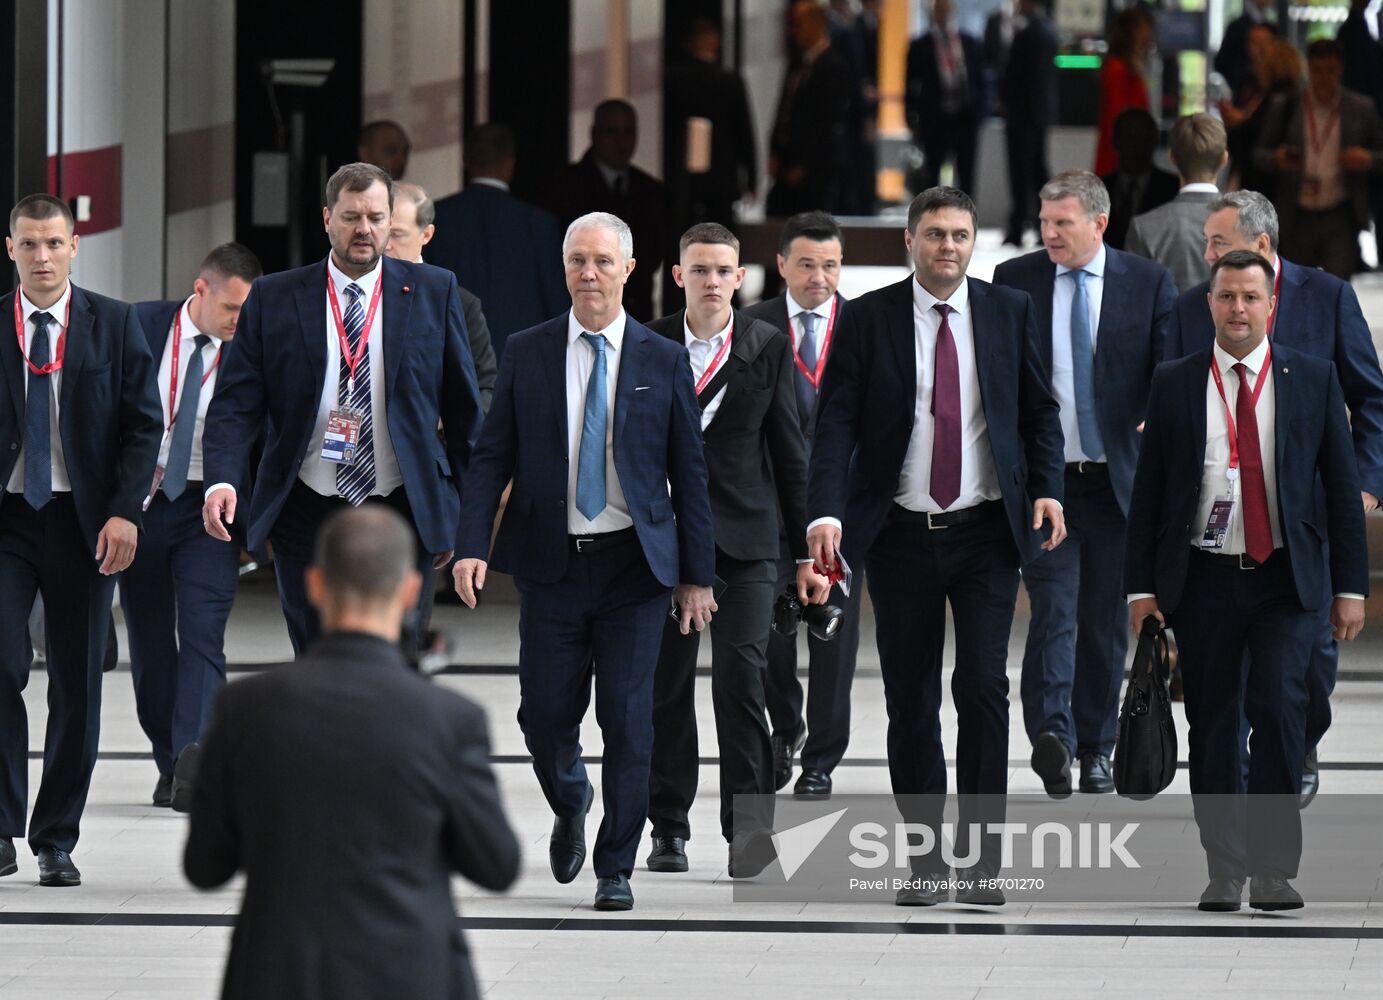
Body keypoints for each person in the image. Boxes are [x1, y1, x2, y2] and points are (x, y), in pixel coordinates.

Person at [807, 187, 1066, 906]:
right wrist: (822, 514)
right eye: (932, 235)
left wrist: (1046, 487)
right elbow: (833, 428)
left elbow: (1040, 412)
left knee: (982, 688)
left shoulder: (1008, 313)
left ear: (973, 241)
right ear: (909, 242)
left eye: (958, 235)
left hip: (984, 534)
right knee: (910, 698)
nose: (946, 247)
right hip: (896, 537)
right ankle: (924, 861)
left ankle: (982, 863)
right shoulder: (865, 320)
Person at [452, 212, 716, 912]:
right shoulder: (527, 350)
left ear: (629, 269)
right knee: (542, 716)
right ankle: (571, 797)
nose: (589, 274)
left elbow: (689, 473)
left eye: (602, 261)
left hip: (634, 568)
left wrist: (696, 574)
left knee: (629, 723)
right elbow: (490, 458)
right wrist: (472, 544)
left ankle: (615, 864)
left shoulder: (662, 359)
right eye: (577, 261)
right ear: (563, 268)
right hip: (551, 564)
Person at [184, 505, 519, 1000]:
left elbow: (205, 866)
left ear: (316, 586)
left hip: (279, 973)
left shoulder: (245, 708)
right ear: (409, 591)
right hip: (411, 973)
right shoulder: (449, 719)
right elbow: (496, 864)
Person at [1125, 250, 1367, 913]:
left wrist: (1350, 588)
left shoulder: (1311, 379)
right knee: (1213, 724)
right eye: (1225, 297)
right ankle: (1224, 870)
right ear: (1209, 304)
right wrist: (1139, 590)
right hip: (1201, 579)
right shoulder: (1174, 382)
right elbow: (1146, 497)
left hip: (1284, 580)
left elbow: (1341, 494)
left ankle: (1272, 870)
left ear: (1270, 306)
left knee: (1281, 716)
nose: (1237, 309)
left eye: (1248, 299)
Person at [202, 162, 484, 657]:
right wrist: (222, 479)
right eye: (352, 217)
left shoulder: (434, 291)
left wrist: (472, 519)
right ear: (328, 218)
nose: (364, 229)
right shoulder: (275, 296)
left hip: (404, 501)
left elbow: (463, 412)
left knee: (399, 651)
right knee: (314, 650)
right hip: (306, 501)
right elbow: (236, 403)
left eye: (377, 217)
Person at [1164, 189, 1383, 807]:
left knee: (1305, 675)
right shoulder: (1190, 308)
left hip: (1303, 527)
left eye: (1216, 241)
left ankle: (1296, 744)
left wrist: (1365, 484)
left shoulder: (1328, 297)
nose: (1204, 252)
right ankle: (1240, 804)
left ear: (1261, 244)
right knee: (1221, 687)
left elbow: (1370, 399)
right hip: (1214, 535)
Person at [645, 223, 827, 877]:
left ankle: (749, 831)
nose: (713, 282)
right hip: (663, 546)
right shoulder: (651, 343)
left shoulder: (763, 345)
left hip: (748, 544)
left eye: (724, 271)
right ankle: (667, 825)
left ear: (740, 276)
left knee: (741, 682)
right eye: (700, 270)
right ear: (677, 275)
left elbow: (788, 450)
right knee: (665, 689)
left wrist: (807, 555)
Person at [992, 170, 1176, 798]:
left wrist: (1159, 414)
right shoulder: (1016, 280)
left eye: (1061, 223)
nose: (1048, 234)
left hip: (1119, 482)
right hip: (1048, 483)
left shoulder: (1147, 283)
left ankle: (1098, 747)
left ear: (1098, 223)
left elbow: (1167, 365)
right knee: (1053, 611)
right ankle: (1055, 736)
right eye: (1043, 222)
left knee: (1103, 619)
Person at [0, 194, 163, 887]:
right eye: (29, 245)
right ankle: (0, 828)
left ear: (75, 247)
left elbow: (142, 427)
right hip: (7, 520)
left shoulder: (115, 324)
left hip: (85, 524)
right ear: (10, 248)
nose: (42, 257)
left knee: (77, 684)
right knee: (2, 665)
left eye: (54, 244)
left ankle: (55, 837)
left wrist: (125, 512)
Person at [123, 242, 262, 814]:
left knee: (204, 632)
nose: (239, 323)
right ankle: (168, 758)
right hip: (141, 505)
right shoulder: (139, 325)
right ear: (200, 291)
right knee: (151, 640)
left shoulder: (251, 349)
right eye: (231, 310)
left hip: (211, 507)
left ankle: (194, 761)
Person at [744, 212, 863, 798]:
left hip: (839, 507)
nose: (820, 277)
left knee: (834, 639)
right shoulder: (753, 324)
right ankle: (784, 730)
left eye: (832, 265)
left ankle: (821, 759)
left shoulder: (865, 324)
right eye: (808, 264)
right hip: (767, 505)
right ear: (783, 265)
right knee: (770, 632)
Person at [425, 124, 568, 360]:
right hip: (524, 361)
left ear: (464, 159)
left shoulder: (436, 217)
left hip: (452, 360)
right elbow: (557, 304)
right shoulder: (540, 224)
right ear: (510, 163)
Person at [1253, 38, 1383, 280]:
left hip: (1340, 213)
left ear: (1340, 69)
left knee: (1337, 288)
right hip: (1296, 213)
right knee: (1296, 288)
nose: (1324, 78)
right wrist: (1277, 159)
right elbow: (1259, 154)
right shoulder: (1287, 106)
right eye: (1317, 71)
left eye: (1330, 71)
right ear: (1308, 69)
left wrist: (1366, 159)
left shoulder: (1360, 109)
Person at [548, 100, 668, 322]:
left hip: (636, 315)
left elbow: (655, 254)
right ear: (594, 134)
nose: (621, 141)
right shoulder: (564, 186)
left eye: (628, 132)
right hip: (581, 313)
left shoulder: (651, 191)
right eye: (612, 131)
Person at [386, 181, 497, 410]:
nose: (385, 245)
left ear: (426, 234)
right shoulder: (352, 294)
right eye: (380, 233)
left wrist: (444, 423)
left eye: (397, 235)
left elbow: (485, 388)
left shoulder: (459, 303)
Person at [663, 20, 758, 235]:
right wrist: (751, 176)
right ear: (715, 43)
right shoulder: (729, 80)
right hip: (722, 177)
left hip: (682, 176)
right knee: (722, 233)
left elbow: (666, 133)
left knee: (684, 233)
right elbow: (744, 131)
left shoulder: (673, 79)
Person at [1127, 113, 1229, 292]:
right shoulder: (1248, 224)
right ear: (1224, 159)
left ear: (1171, 157)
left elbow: (1136, 301)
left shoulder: (1144, 228)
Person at [766, 0, 850, 217]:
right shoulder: (797, 64)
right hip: (787, 162)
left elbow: (826, 121)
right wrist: (774, 151)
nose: (795, 32)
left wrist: (805, 164)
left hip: (814, 170)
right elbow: (784, 109)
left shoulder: (832, 66)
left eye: (799, 25)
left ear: (817, 24)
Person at [905, 0, 987, 197]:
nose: (942, 14)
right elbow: (909, 85)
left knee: (966, 175)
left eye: (945, 10)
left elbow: (981, 79)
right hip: (935, 119)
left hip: (964, 118)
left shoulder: (969, 42)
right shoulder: (920, 45)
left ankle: (966, 220)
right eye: (938, 10)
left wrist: (981, 111)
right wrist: (910, 117)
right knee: (932, 175)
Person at [999, 0, 1058, 247]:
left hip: (1023, 114)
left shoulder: (1028, 33)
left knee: (1022, 173)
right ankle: (1045, 223)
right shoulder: (1048, 30)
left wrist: (1005, 98)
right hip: (1038, 114)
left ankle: (1021, 226)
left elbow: (1017, 75)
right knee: (1037, 170)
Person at [1220, 34, 1298, 196]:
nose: (1256, 67)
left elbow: (1257, 140)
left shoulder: (1275, 99)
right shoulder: (1272, 96)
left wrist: (1241, 123)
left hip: (1263, 184)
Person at [1100, 108, 1179, 250]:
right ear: (1116, 142)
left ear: (1154, 141)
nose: (1136, 147)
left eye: (1143, 139)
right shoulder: (1100, 188)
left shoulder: (1172, 189)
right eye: (1129, 138)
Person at [1094, 7, 1154, 178]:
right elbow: (1116, 113)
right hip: (1122, 152)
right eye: (1144, 28)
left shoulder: (1127, 67)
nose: (1147, 35)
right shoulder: (1117, 68)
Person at [1214, 0, 1277, 98]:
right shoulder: (1237, 28)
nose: (1258, 50)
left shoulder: (1272, 28)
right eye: (1254, 43)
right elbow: (1221, 63)